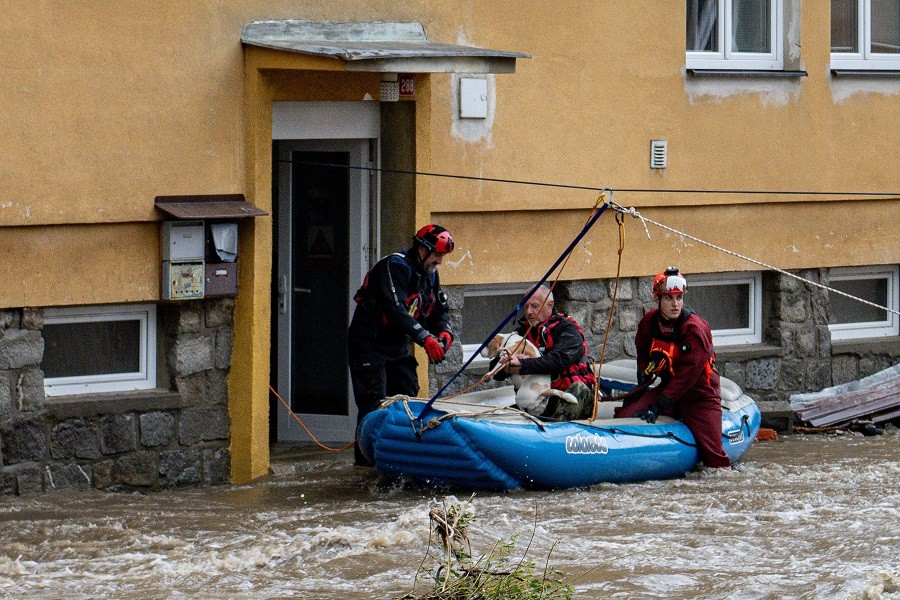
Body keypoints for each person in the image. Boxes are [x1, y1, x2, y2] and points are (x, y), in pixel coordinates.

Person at [348, 224, 455, 466]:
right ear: (422, 249)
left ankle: (399, 458)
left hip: (397, 346)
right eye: (437, 254)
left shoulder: (430, 273)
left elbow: (439, 310)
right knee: (373, 405)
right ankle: (365, 466)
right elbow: (396, 311)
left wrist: (444, 332)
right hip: (369, 345)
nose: (439, 261)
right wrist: (426, 339)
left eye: (442, 256)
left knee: (407, 394)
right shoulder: (394, 266)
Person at [614, 267, 731, 468]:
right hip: (667, 391)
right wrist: (642, 379)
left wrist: (658, 406)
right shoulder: (649, 322)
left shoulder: (694, 329)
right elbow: (642, 351)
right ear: (657, 299)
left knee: (714, 458)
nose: (675, 304)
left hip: (699, 397)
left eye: (679, 298)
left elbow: (687, 377)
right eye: (669, 298)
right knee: (625, 416)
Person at [494, 285, 596, 420]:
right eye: (526, 307)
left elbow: (559, 360)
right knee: (500, 414)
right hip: (537, 401)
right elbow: (494, 371)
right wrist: (506, 365)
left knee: (579, 388)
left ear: (550, 305)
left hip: (568, 397)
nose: (529, 311)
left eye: (534, 306)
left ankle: (555, 431)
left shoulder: (567, 329)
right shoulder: (520, 333)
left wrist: (523, 364)